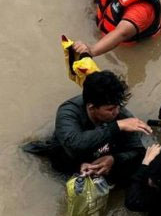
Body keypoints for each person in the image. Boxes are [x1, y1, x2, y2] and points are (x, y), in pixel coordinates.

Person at [22, 71, 152, 185]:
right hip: (66, 158)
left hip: (101, 160)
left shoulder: (122, 115)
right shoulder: (68, 112)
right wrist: (116, 126)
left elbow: (138, 152)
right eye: (110, 109)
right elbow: (75, 144)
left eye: (118, 106)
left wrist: (114, 159)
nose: (116, 112)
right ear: (91, 107)